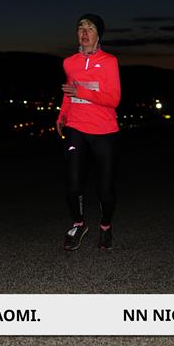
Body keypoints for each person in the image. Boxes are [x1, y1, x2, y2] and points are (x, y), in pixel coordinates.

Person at [56, 13, 121, 250]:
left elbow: (114, 99)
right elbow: (68, 92)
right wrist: (62, 115)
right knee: (73, 185)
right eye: (80, 27)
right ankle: (78, 224)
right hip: (76, 127)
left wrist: (81, 92)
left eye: (90, 28)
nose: (84, 32)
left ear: (98, 35)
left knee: (105, 189)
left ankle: (105, 226)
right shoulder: (69, 62)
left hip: (104, 130)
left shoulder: (109, 61)